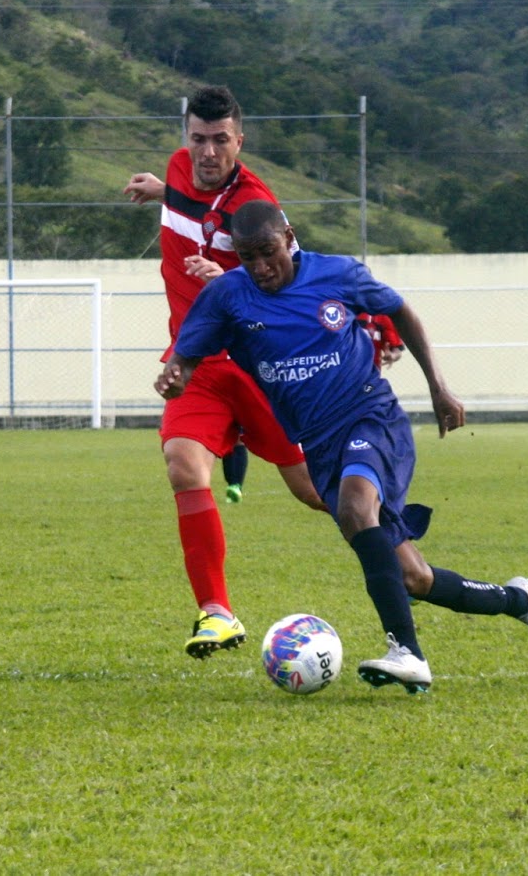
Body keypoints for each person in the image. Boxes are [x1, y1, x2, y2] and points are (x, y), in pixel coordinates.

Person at [156, 202, 528, 693]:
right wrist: (175, 376)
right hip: (318, 445)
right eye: (248, 257)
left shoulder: (337, 274)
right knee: (413, 578)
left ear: (288, 236)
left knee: (358, 511)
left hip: (370, 414)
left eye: (269, 252)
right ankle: (518, 600)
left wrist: (439, 388)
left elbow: (401, 311)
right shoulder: (229, 296)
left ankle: (409, 652)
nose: (261, 267)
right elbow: (187, 356)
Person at [124, 84, 338, 660]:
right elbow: (191, 204)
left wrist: (227, 283)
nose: (208, 152)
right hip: (198, 364)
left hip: (260, 366)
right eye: (198, 139)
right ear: (185, 139)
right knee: (182, 464)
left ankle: (401, 552)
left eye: (221, 140)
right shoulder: (179, 171)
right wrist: (160, 189)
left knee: (315, 492)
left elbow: (294, 283)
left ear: (239, 141)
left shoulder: (257, 204)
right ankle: (216, 612)